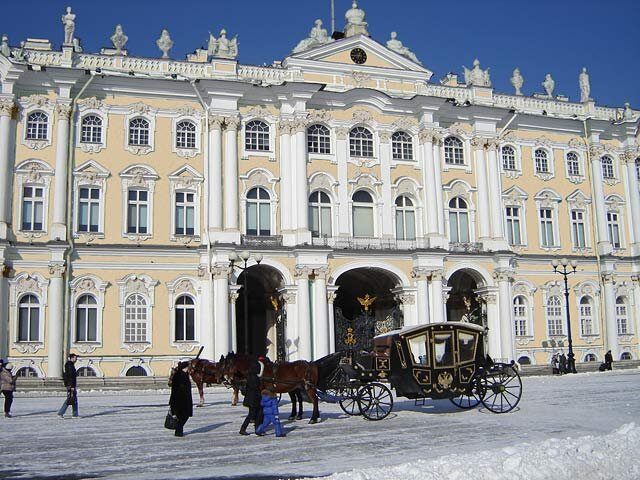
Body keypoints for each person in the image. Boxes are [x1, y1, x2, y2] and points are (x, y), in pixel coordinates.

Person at [168, 361, 193, 437]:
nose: (189, 368)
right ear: (185, 368)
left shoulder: (185, 375)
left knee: (185, 415)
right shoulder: (179, 375)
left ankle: (179, 430)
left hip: (185, 399)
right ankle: (178, 431)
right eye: (188, 367)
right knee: (181, 416)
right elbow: (176, 388)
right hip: (179, 399)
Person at [239, 359, 262, 435]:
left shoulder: (249, 376)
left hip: (250, 399)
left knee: (254, 414)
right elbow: (256, 388)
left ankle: (256, 429)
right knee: (254, 414)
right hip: (254, 399)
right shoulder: (254, 378)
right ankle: (245, 429)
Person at [58, 353, 79, 418]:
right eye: (75, 358)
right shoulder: (70, 365)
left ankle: (74, 414)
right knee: (70, 399)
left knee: (73, 399)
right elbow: (70, 376)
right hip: (71, 385)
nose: (76, 359)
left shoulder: (70, 365)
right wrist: (72, 386)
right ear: (72, 358)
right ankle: (61, 413)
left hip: (70, 384)